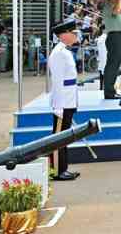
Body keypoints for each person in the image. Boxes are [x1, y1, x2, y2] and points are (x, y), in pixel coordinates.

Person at [48, 21, 81, 181]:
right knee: (59, 137)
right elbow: (58, 82)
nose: (76, 35)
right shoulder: (59, 53)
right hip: (63, 102)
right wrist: (59, 106)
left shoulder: (64, 51)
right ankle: (57, 171)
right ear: (63, 35)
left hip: (69, 100)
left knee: (64, 136)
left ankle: (63, 168)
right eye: (73, 32)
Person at [101, 0, 121, 99]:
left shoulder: (112, 6)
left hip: (118, 36)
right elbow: (117, 11)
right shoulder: (108, 6)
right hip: (115, 37)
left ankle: (111, 91)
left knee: (115, 65)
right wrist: (119, 1)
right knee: (112, 65)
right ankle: (109, 92)